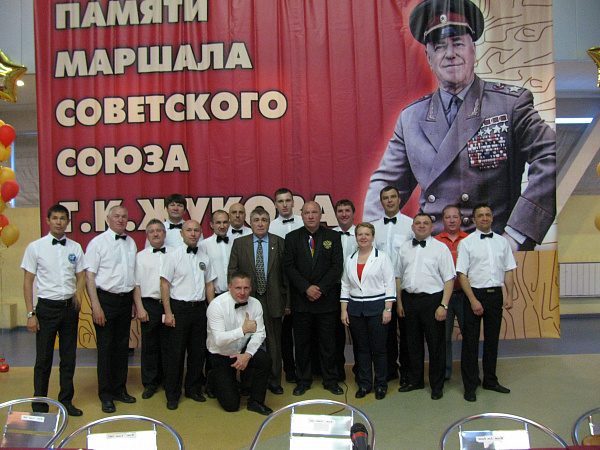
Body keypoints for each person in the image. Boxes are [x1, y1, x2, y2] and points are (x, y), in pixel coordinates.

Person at [364, 0, 556, 251]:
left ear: (473, 50)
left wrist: (517, 235)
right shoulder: (411, 118)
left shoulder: (509, 105)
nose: (450, 54)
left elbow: (551, 156)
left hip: (489, 250)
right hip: (431, 251)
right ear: (429, 57)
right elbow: (385, 185)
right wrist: (375, 240)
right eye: (440, 47)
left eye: (458, 44)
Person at [21, 204, 85, 416]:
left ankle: (66, 401)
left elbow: (81, 276)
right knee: (43, 359)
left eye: (62, 218)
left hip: (69, 308)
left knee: (68, 358)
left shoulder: (75, 247)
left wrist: (78, 298)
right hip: (46, 308)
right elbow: (28, 281)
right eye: (55, 218)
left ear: (68, 222)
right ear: (48, 221)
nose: (59, 222)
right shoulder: (35, 247)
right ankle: (39, 404)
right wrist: (31, 314)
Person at [456, 204, 517, 402]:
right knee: (471, 342)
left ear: (492, 218)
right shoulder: (466, 243)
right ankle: (470, 385)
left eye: (487, 215)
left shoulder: (502, 242)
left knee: (492, 341)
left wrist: (509, 295)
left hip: (495, 296)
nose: (484, 218)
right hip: (474, 295)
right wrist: (473, 300)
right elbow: (462, 274)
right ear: (474, 220)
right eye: (480, 215)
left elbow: (508, 270)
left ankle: (490, 380)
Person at [284, 201, 344, 396]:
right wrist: (306, 288)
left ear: (320, 215)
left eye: (314, 212)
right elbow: (289, 267)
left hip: (326, 301)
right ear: (301, 215)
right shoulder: (292, 238)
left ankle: (331, 380)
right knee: (302, 344)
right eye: (307, 213)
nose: (310, 216)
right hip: (302, 301)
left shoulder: (333, 237)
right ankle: (303, 380)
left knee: (328, 344)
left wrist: (320, 289)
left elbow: (337, 266)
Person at [228, 207, 287, 394]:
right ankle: (248, 382)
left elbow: (286, 275)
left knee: (273, 343)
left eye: (264, 220)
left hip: (273, 300)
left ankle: (274, 380)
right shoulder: (240, 244)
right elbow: (232, 272)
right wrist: (236, 299)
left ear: (269, 223)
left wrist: (287, 303)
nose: (260, 224)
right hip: (247, 300)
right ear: (250, 223)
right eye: (256, 220)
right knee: (246, 341)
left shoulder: (279, 242)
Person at [84, 205, 137, 413]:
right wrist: (95, 306)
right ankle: (106, 395)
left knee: (122, 348)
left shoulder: (131, 242)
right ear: (108, 219)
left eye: (124, 216)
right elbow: (89, 276)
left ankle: (120, 389)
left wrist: (134, 303)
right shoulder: (97, 243)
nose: (121, 219)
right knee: (106, 350)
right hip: (105, 301)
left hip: (125, 301)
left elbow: (133, 275)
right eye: (116, 216)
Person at [396, 213, 455, 400]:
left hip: (432, 301)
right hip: (409, 300)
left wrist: (443, 305)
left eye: (425, 223)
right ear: (412, 227)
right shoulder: (404, 248)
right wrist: (399, 302)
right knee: (412, 344)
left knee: (436, 345)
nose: (421, 226)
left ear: (432, 227)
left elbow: (449, 279)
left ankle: (437, 385)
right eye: (418, 223)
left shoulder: (440, 248)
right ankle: (416, 380)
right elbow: (398, 276)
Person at [160, 220, 216, 410]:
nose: (193, 233)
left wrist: (212, 310)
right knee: (175, 354)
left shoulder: (205, 257)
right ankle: (172, 394)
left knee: (197, 352)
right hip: (179, 309)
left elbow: (209, 284)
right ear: (181, 234)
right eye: (189, 230)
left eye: (196, 230)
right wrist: (168, 312)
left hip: (199, 309)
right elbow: (164, 284)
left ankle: (193, 389)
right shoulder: (172, 256)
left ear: (200, 233)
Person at [340, 222, 395, 400]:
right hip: (356, 310)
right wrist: (344, 310)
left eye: (367, 234)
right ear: (356, 237)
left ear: (372, 237)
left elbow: (390, 284)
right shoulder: (350, 259)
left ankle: (381, 385)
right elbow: (345, 285)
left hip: (377, 308)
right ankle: (364, 384)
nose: (363, 237)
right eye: (360, 234)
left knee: (379, 349)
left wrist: (388, 309)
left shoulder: (382, 257)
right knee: (361, 349)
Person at [206, 272, 273, 415]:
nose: (242, 292)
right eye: (238, 288)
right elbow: (219, 339)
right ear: (229, 287)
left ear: (250, 288)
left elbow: (260, 333)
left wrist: (247, 355)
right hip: (221, 354)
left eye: (246, 288)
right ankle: (213, 378)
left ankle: (256, 401)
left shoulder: (255, 304)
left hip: (242, 350)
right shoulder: (216, 306)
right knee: (231, 406)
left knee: (264, 360)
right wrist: (242, 330)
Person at [370, 186, 413, 385]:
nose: (389, 201)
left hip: (404, 287)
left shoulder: (411, 225)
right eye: (385, 198)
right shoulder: (374, 228)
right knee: (385, 334)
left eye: (393, 197)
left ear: (399, 199)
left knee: (406, 333)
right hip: (380, 289)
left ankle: (407, 373)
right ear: (381, 202)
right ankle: (389, 371)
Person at [133, 219, 170, 400]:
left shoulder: (175, 253)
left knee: (169, 345)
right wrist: (140, 308)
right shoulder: (140, 256)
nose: (156, 234)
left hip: (170, 304)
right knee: (149, 346)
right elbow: (136, 284)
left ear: (165, 233)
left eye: (159, 230)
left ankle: (169, 380)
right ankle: (150, 383)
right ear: (147, 235)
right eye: (152, 231)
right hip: (149, 304)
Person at [269, 188, 303, 384]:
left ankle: (307, 369)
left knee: (304, 332)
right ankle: (289, 370)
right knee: (285, 334)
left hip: (303, 287)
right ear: (275, 204)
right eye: (280, 201)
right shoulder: (271, 227)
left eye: (287, 200)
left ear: (293, 202)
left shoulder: (303, 222)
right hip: (282, 287)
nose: (284, 204)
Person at [434, 204, 470, 379]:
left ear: (461, 219)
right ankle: (445, 372)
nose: (452, 220)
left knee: (469, 335)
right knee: (444, 337)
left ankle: (469, 373)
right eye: (448, 217)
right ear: (443, 220)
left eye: (455, 217)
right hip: (443, 296)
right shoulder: (435, 242)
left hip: (465, 295)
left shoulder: (469, 240)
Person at [199, 210, 233, 296]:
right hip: (213, 294)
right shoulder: (203, 245)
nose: (222, 226)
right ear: (211, 225)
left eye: (225, 222)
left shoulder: (235, 243)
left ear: (229, 224)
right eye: (218, 222)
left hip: (234, 293)